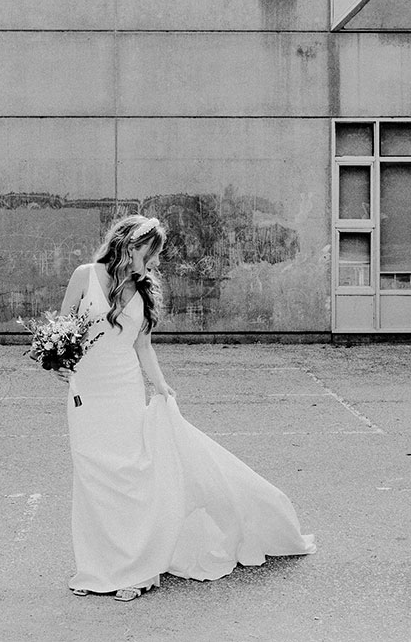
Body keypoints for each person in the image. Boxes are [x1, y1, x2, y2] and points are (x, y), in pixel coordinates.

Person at [56, 214, 316, 602]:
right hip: (86, 394)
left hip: (124, 391)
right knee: (93, 477)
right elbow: (63, 328)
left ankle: (137, 569)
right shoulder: (85, 275)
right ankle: (99, 566)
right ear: (129, 244)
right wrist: (58, 361)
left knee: (129, 476)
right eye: (151, 253)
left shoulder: (142, 292)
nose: (155, 262)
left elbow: (142, 347)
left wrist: (160, 387)